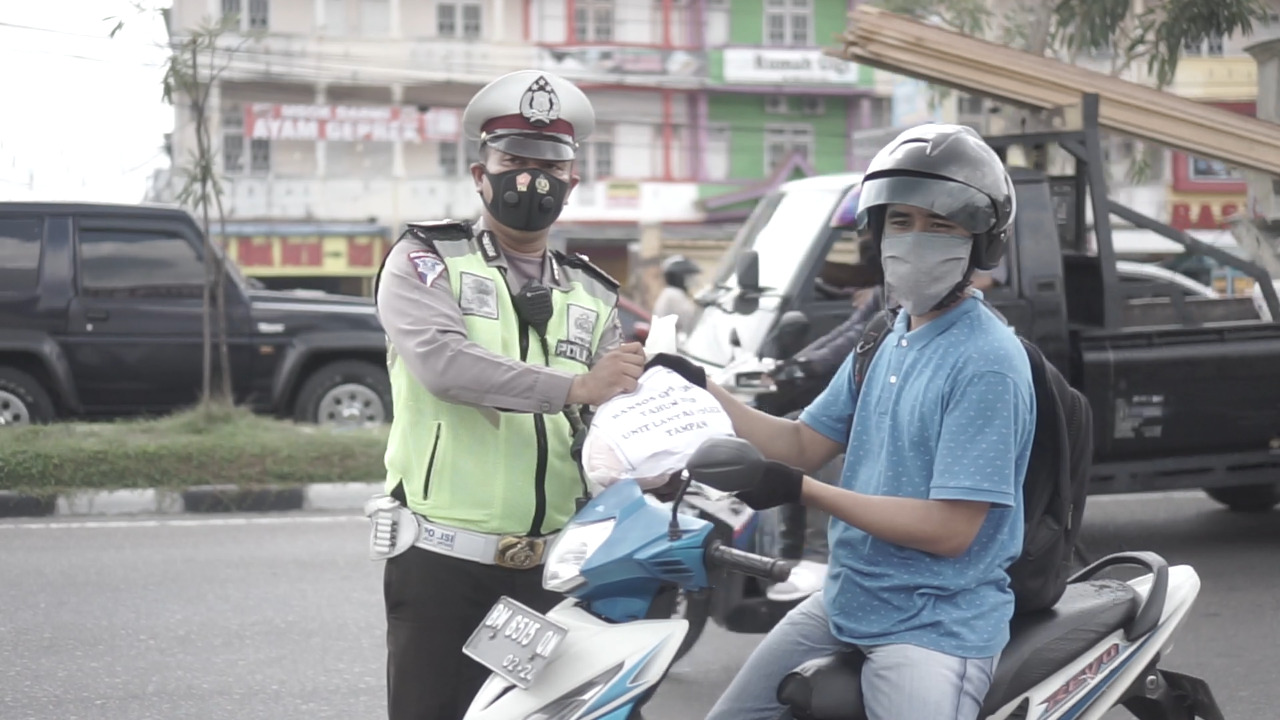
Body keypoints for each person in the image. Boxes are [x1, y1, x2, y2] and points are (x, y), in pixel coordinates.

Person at [648, 123, 1036, 720]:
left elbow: (951, 529)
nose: (914, 240)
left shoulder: (987, 361)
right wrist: (703, 387)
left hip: (932, 620)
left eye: (940, 226)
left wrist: (802, 491)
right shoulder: (888, 333)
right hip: (847, 596)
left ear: (981, 243)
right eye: (900, 223)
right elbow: (802, 442)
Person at [371, 69, 647, 720]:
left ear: (573, 181)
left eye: (549, 164)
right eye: (514, 160)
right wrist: (577, 384)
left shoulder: (594, 293)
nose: (531, 178)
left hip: (555, 570)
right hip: (444, 564)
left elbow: (612, 423)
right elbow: (445, 366)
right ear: (479, 173)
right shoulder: (423, 261)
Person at [767, 191, 885, 602]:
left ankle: (819, 556)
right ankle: (791, 550)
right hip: (870, 389)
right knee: (799, 426)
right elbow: (849, 329)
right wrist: (791, 364)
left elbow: (857, 339)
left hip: (888, 401)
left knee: (824, 450)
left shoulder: (907, 296)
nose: (866, 245)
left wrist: (808, 366)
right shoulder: (884, 290)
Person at [652, 254, 701, 334]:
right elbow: (691, 321)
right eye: (688, 276)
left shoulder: (669, 293)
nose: (691, 280)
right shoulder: (674, 295)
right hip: (674, 343)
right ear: (678, 277)